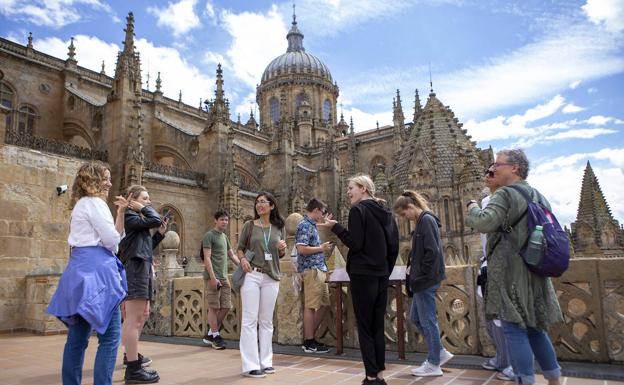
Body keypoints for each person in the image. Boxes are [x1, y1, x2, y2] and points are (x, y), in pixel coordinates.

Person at [466, 149, 563, 385]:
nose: (493, 168)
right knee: (536, 328)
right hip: (535, 269)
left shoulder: (505, 194)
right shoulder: (537, 195)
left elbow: (484, 222)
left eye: (497, 164)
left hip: (510, 272)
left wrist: (472, 208)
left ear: (514, 168)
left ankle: (524, 380)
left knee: (513, 328)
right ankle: (554, 381)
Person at [47, 161, 127, 385]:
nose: (109, 183)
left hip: (78, 271)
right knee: (110, 337)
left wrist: (120, 213)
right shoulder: (96, 203)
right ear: (92, 181)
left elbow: (113, 238)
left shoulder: (80, 205)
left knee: (77, 339)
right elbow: (113, 242)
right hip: (98, 272)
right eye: (105, 179)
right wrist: (112, 239)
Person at [323, 175, 399, 385]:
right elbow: (394, 246)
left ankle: (371, 377)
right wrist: (385, 269)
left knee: (365, 327)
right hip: (381, 274)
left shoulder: (358, 210)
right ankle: (380, 375)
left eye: (351, 188)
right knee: (377, 326)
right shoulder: (386, 212)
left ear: (363, 189)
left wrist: (336, 227)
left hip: (362, 274)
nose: (348, 192)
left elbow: (355, 244)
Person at [392, 190, 453, 377]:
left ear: (410, 207)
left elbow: (432, 253)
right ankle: (440, 352)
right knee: (417, 318)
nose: (405, 218)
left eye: (404, 214)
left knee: (428, 320)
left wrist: (418, 274)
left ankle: (434, 364)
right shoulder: (422, 222)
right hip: (422, 279)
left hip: (425, 280)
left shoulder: (426, 220)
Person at [237, 192, 287, 378]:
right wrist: (242, 261)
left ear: (272, 206)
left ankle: (266, 362)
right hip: (252, 275)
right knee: (250, 320)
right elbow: (240, 248)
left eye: (263, 202)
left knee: (266, 322)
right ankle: (250, 365)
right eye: (257, 202)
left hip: (271, 276)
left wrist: (282, 250)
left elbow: (279, 254)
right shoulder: (249, 225)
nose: (259, 205)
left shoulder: (278, 227)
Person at [121, 185, 167, 384]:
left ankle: (131, 354)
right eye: (145, 198)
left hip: (143, 267)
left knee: (143, 315)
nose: (149, 201)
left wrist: (159, 235)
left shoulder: (137, 220)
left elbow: (144, 245)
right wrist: (140, 207)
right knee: (133, 318)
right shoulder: (131, 216)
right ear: (133, 198)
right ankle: (132, 368)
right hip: (135, 269)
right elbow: (155, 219)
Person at [478, 165, 514, 382]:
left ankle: (514, 365)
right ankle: (501, 359)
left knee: (507, 320)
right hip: (488, 265)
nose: (486, 177)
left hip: (505, 267)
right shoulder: (487, 201)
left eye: (491, 174)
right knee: (492, 317)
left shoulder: (507, 201)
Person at [295, 198, 334, 354]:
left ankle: (309, 338)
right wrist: (321, 248)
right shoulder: (304, 225)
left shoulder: (310, 225)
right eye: (322, 212)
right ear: (316, 210)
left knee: (324, 304)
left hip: (319, 269)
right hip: (311, 270)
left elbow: (314, 227)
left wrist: (326, 223)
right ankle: (309, 342)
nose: (323, 214)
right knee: (310, 306)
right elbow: (301, 249)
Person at [201, 209, 241, 350]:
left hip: (224, 278)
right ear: (215, 220)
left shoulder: (224, 237)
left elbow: (232, 255)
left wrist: (243, 265)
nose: (225, 222)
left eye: (226, 219)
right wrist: (212, 278)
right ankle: (216, 337)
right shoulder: (209, 236)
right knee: (214, 307)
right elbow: (206, 257)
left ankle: (211, 333)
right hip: (213, 277)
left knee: (226, 306)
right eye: (222, 219)